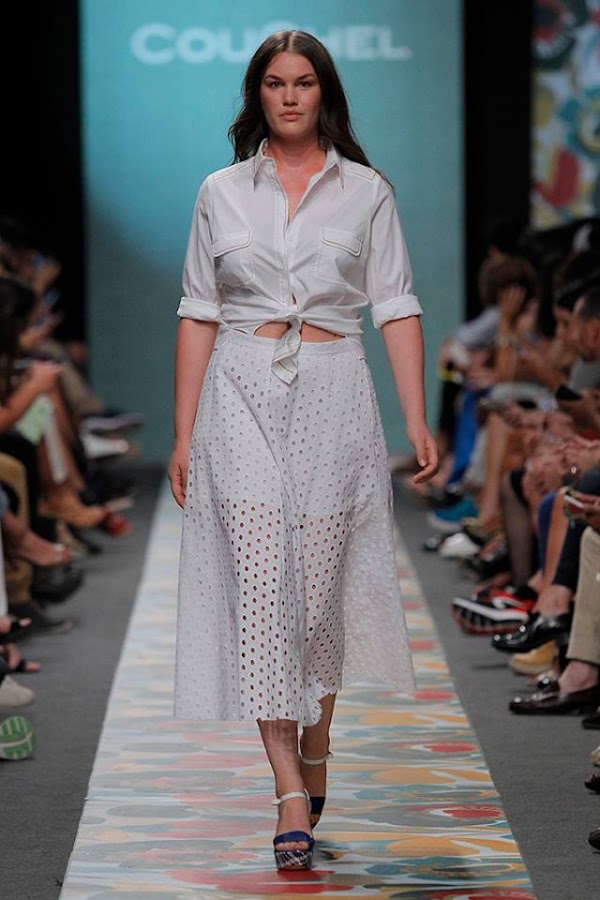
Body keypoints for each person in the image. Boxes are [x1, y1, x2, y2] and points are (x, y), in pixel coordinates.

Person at [168, 30, 438, 872]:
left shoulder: (366, 191)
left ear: (325, 94)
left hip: (334, 393)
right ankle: (289, 786)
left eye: (304, 82)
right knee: (261, 588)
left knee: (317, 598)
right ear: (258, 94)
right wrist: (182, 434)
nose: (289, 97)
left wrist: (418, 420)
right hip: (238, 392)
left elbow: (396, 304)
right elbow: (198, 310)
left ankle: (317, 738)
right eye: (275, 83)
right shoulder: (220, 191)